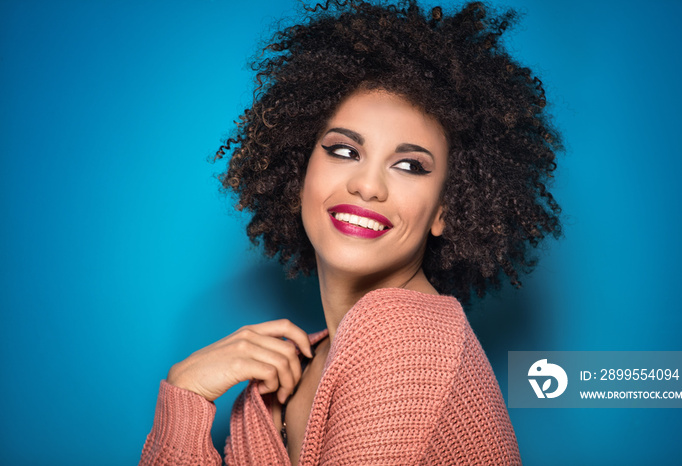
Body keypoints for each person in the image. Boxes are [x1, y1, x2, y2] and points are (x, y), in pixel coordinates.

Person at [140, 1, 561, 464]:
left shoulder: (407, 337)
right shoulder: (284, 378)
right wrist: (186, 394)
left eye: (409, 165)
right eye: (343, 150)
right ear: (302, 170)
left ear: (446, 210)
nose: (366, 185)